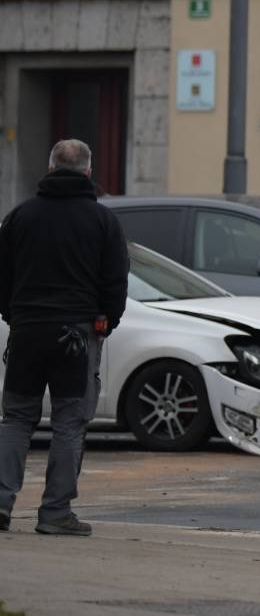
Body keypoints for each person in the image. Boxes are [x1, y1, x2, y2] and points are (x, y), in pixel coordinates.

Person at [0, 139, 129, 537]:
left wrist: (14, 315)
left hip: (27, 330)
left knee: (16, 419)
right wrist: (107, 322)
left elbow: (2, 276)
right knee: (70, 423)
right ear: (89, 172)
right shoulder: (102, 221)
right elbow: (115, 282)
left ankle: (1, 505)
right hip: (77, 333)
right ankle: (55, 513)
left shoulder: (20, 217)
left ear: (50, 167)